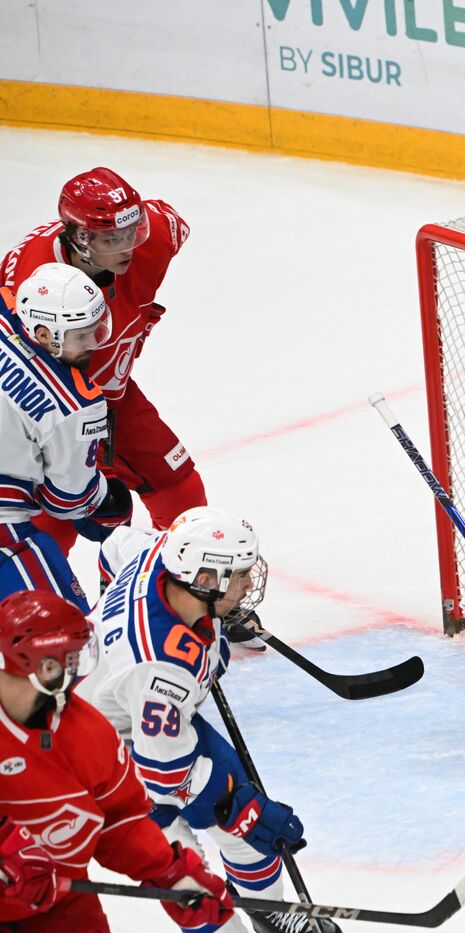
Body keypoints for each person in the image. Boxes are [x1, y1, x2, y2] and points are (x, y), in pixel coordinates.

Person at [78, 508, 334, 933]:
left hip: (148, 724)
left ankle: (268, 913)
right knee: (190, 883)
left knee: (248, 831)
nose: (250, 584)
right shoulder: (161, 668)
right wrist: (242, 811)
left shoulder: (157, 554)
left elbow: (114, 546)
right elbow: (165, 775)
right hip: (106, 764)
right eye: (240, 576)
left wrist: (107, 614)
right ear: (206, 580)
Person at [0, 589, 234, 932]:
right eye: (70, 659)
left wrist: (169, 871)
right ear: (43, 666)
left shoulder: (89, 732)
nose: (78, 668)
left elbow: (120, 817)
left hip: (61, 905)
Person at [2, 167, 205, 555]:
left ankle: (180, 588)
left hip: (111, 393)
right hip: (45, 411)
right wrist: (88, 471)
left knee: (179, 486)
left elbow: (169, 222)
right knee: (56, 523)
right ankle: (34, 606)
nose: (128, 247)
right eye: (113, 238)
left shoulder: (155, 237)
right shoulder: (32, 283)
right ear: (80, 237)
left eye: (132, 232)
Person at [1, 263, 132, 609]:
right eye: (81, 335)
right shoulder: (76, 402)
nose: (93, 343)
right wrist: (106, 498)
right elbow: (67, 500)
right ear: (44, 334)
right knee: (73, 647)